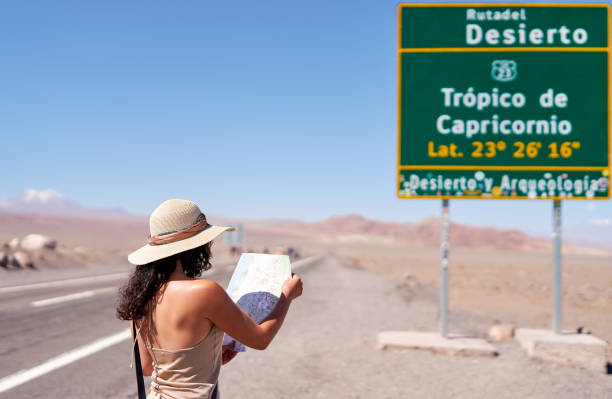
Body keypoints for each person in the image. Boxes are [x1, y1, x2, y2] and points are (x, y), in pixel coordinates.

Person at [116, 199, 303, 399]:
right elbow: (261, 339)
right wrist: (286, 296)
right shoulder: (205, 291)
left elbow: (147, 367)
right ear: (193, 248)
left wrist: (207, 355)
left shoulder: (140, 296)